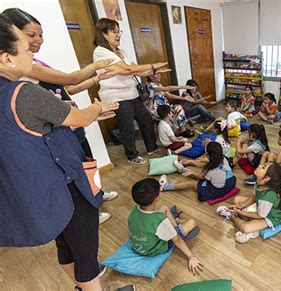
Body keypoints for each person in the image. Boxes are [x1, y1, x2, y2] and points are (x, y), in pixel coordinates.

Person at [0, 15, 120, 291]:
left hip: (38, 192)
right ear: (6, 58)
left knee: (66, 245)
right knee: (86, 252)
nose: (33, 52)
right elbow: (78, 118)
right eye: (27, 47)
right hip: (65, 185)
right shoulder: (24, 93)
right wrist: (99, 108)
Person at [93, 18, 168, 165]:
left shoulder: (120, 52)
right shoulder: (100, 52)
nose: (118, 35)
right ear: (104, 33)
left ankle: (151, 147)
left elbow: (135, 69)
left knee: (146, 119)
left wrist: (153, 71)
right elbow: (126, 70)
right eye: (114, 32)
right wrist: (153, 65)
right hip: (116, 96)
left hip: (132, 93)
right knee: (127, 127)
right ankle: (132, 155)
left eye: (119, 31)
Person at [128, 178, 203, 275]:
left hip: (137, 246)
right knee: (192, 223)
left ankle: (175, 223)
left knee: (164, 208)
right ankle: (176, 224)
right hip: (153, 250)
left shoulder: (135, 209)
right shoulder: (159, 220)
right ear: (157, 197)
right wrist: (191, 257)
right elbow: (177, 240)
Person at [216, 162, 281, 243]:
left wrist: (240, 212)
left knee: (245, 228)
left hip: (269, 217)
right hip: (261, 207)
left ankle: (232, 216)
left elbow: (260, 215)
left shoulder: (268, 196)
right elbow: (255, 197)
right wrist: (241, 206)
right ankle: (252, 227)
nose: (260, 165)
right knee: (237, 199)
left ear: (266, 178)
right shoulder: (259, 182)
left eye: (263, 167)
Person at [161, 142, 237, 202]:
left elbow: (202, 177)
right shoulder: (223, 158)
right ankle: (183, 169)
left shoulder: (211, 170)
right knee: (200, 172)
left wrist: (192, 173)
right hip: (231, 182)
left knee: (192, 183)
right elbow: (206, 163)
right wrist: (190, 162)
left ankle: (164, 186)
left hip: (219, 189)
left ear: (208, 155)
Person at [146, 73, 194, 138]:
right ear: (151, 76)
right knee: (173, 112)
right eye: (157, 74)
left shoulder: (159, 85)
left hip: (165, 107)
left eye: (159, 73)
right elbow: (167, 88)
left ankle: (182, 130)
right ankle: (176, 133)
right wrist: (183, 87)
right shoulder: (150, 85)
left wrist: (184, 98)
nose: (159, 75)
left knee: (179, 107)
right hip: (157, 110)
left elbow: (169, 95)